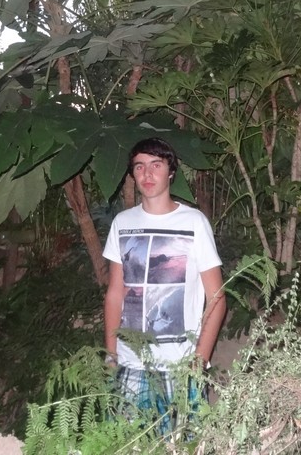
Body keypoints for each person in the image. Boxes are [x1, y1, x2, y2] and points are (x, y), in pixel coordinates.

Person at [102, 137, 226, 433]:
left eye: (156, 165)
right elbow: (115, 293)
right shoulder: (122, 223)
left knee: (184, 444)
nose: (147, 173)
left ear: (171, 172)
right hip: (131, 362)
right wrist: (111, 354)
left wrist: (200, 360)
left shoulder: (194, 222)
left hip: (180, 365)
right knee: (124, 443)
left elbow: (217, 297)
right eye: (139, 166)